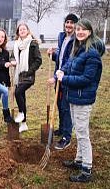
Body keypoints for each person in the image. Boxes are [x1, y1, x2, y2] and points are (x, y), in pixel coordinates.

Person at [56, 18, 105, 183]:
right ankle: (78, 160)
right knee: (78, 129)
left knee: (83, 134)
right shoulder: (78, 49)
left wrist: (65, 79)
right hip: (74, 96)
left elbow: (86, 79)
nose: (79, 32)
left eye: (83, 30)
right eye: (78, 30)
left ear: (90, 32)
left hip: (83, 98)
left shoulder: (92, 53)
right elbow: (68, 65)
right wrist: (60, 71)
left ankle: (87, 168)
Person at [47, 13, 78, 150]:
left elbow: (70, 61)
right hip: (59, 76)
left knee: (65, 107)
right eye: (67, 22)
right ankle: (61, 128)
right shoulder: (62, 37)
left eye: (72, 23)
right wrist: (52, 54)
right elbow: (60, 57)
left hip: (66, 78)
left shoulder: (76, 41)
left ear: (76, 25)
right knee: (59, 104)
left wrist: (57, 75)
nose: (69, 25)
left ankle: (67, 136)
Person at [10, 23, 42, 132]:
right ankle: (24, 124)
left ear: (28, 30)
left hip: (28, 75)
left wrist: (29, 71)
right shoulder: (16, 45)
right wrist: (12, 61)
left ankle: (21, 113)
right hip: (18, 75)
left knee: (18, 92)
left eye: (24, 29)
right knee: (22, 96)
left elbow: (38, 60)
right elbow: (12, 56)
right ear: (18, 32)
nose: (22, 31)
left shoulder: (33, 43)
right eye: (20, 29)